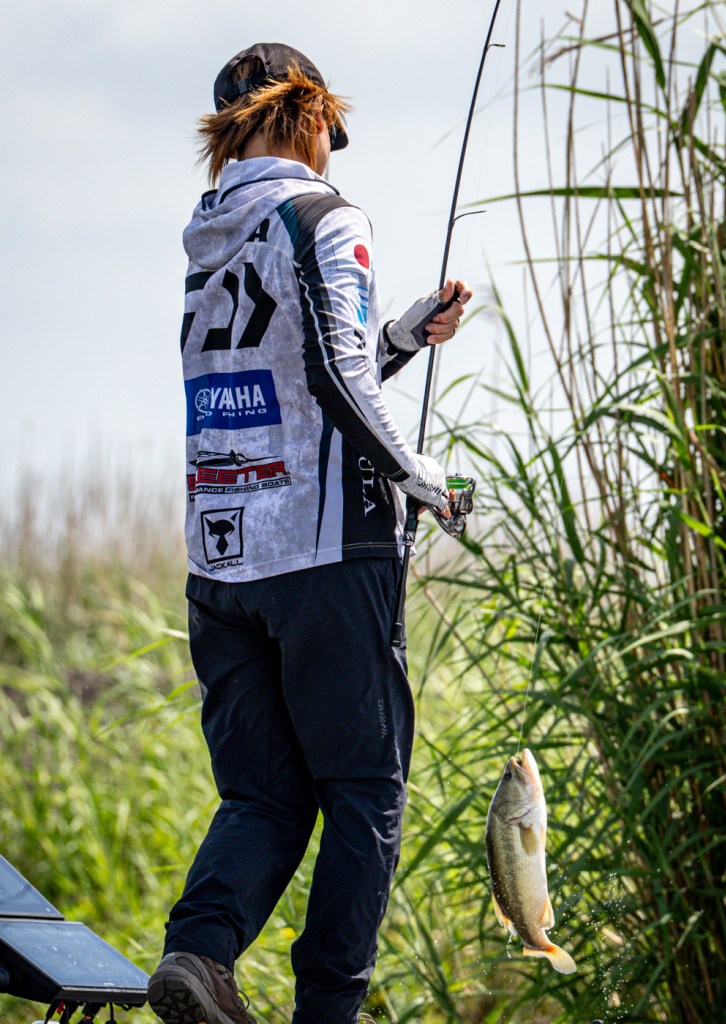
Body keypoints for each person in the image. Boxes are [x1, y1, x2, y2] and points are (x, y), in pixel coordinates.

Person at [146, 42, 472, 1024]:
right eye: (333, 132)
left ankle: (199, 956)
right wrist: (420, 477)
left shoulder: (210, 236)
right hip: (327, 555)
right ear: (312, 117)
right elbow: (335, 373)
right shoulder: (329, 218)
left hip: (223, 561)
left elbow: (306, 370)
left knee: (264, 795)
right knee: (365, 789)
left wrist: (401, 335)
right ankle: (329, 1013)